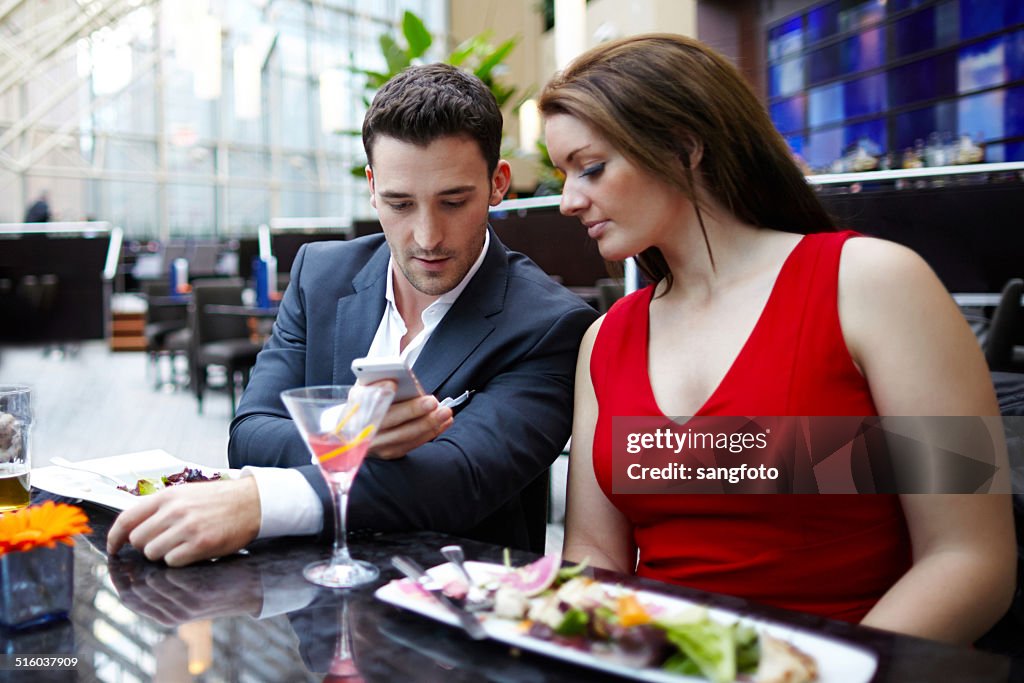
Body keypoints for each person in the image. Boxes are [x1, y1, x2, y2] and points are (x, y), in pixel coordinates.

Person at [540, 34, 1015, 645]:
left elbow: (970, 561)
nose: (569, 201)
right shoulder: (605, 339)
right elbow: (595, 561)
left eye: (592, 167)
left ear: (684, 146)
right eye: (564, 174)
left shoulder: (872, 284)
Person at [107, 64, 597, 566]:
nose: (427, 236)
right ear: (371, 185)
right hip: (309, 596)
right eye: (399, 203)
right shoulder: (321, 275)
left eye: (453, 202)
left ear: (498, 184)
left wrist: (263, 501)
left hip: (455, 621)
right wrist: (347, 432)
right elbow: (250, 434)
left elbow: (457, 479)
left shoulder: (550, 324)